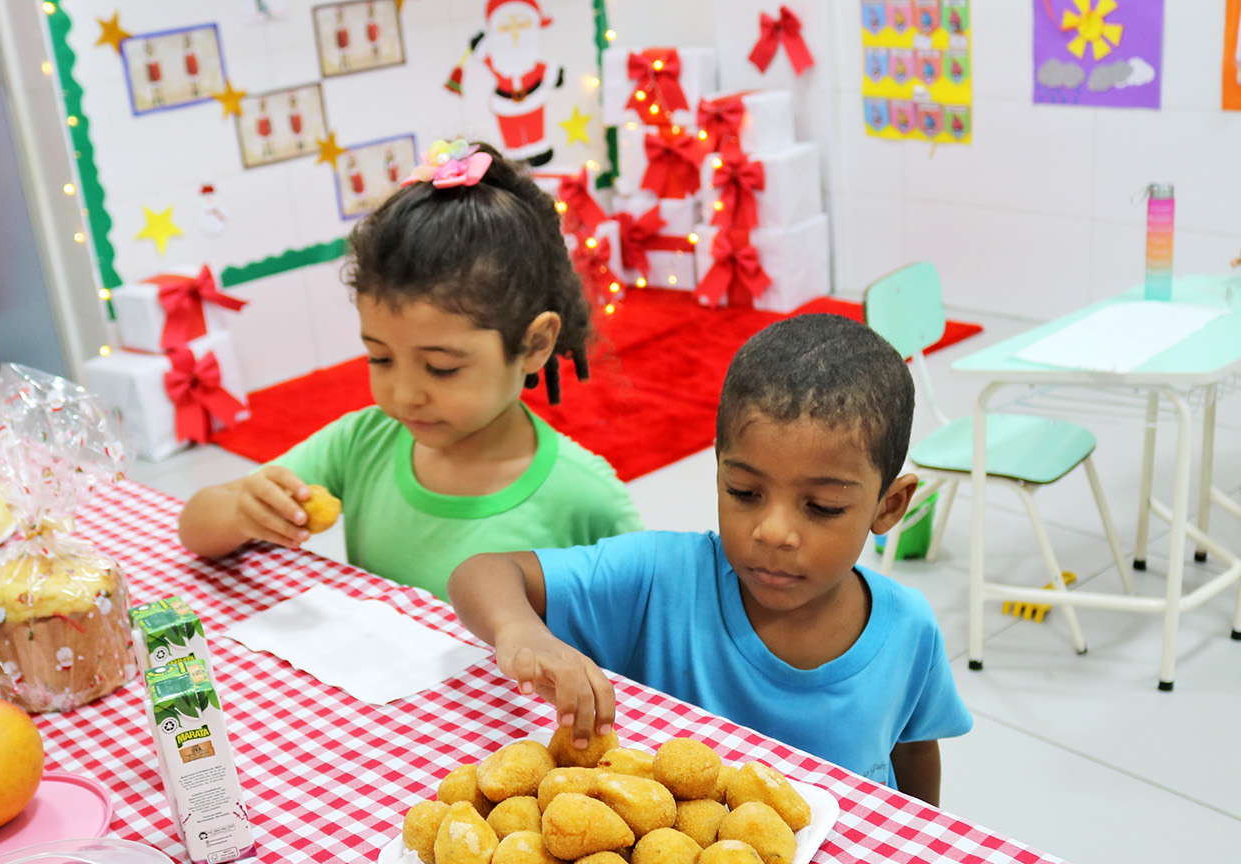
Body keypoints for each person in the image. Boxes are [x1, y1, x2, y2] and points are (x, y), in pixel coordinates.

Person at [447, 313, 972, 806]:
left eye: (822, 506)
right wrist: (523, 632)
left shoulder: (909, 630)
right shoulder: (659, 579)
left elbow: (915, 754)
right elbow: (484, 571)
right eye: (744, 492)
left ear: (889, 506)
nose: (773, 532)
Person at [178, 139, 643, 599]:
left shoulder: (587, 500)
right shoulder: (361, 444)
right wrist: (244, 512)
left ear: (534, 344)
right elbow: (195, 524)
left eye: (440, 367)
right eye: (380, 358)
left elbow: (647, 618)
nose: (403, 395)